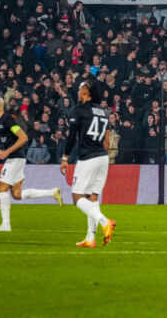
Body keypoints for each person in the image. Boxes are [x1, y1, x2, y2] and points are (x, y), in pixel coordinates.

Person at [0, 95, 62, 232]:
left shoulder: (8, 119)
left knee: (1, 188)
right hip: (16, 158)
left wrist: (7, 152)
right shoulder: (0, 121)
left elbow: (23, 138)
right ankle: (51, 192)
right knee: (16, 194)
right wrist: (3, 151)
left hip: (15, 158)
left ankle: (6, 225)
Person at [61, 81, 115, 247]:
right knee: (92, 197)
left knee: (77, 197)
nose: (78, 91)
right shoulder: (103, 112)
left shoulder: (78, 109)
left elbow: (71, 136)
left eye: (80, 88)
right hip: (102, 157)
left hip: (87, 157)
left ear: (86, 91)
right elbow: (106, 139)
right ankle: (90, 238)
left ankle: (105, 221)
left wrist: (65, 158)